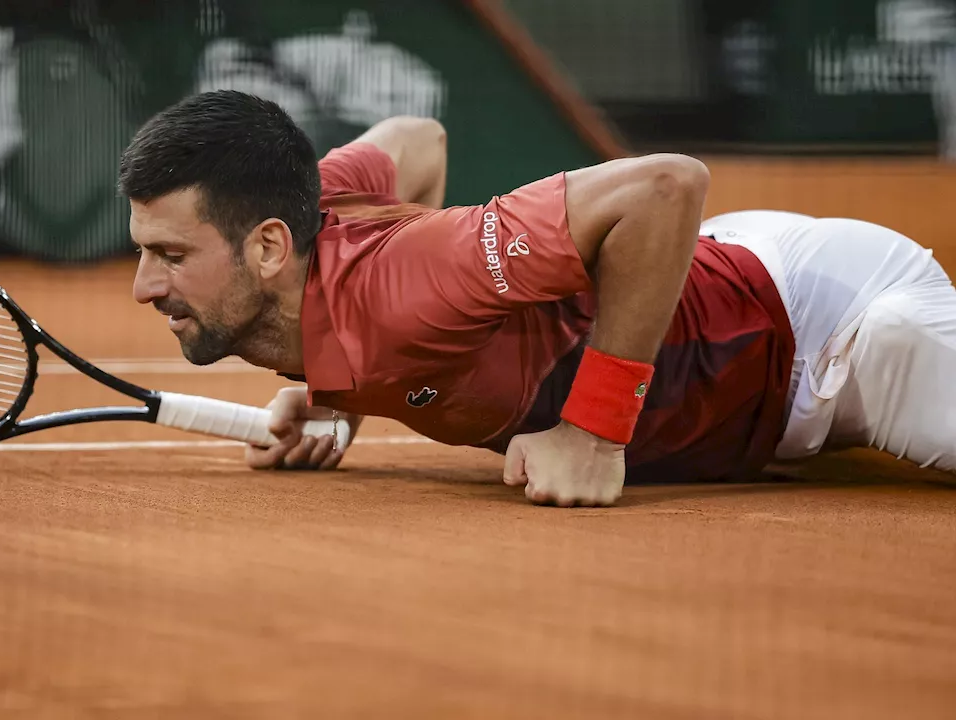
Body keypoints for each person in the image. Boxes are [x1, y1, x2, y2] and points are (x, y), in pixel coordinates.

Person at [118, 90, 956, 507]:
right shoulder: (313, 202)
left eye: (169, 254)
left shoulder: (422, 276)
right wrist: (344, 392)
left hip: (823, 325)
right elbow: (416, 138)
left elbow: (667, 185)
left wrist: (593, 430)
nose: (144, 285)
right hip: (714, 301)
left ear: (269, 246)